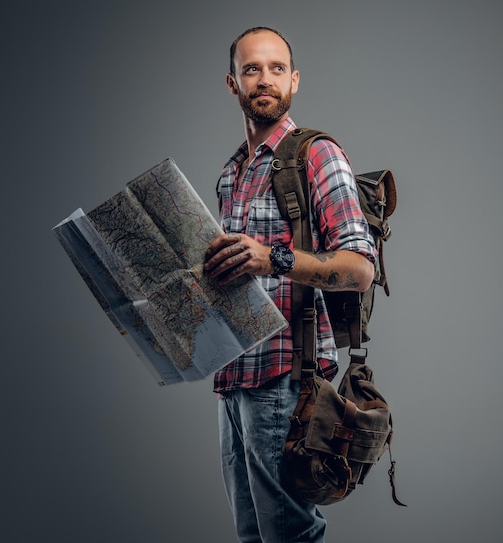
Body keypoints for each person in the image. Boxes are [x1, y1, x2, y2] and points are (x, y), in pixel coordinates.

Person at [204, 26, 377, 542]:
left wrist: (271, 258)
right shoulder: (231, 173)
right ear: (232, 83)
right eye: (251, 69)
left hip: (286, 374)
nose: (265, 80)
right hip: (233, 377)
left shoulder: (316, 156)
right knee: (254, 535)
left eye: (277, 68)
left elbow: (359, 267)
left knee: (289, 534)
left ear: (294, 80)